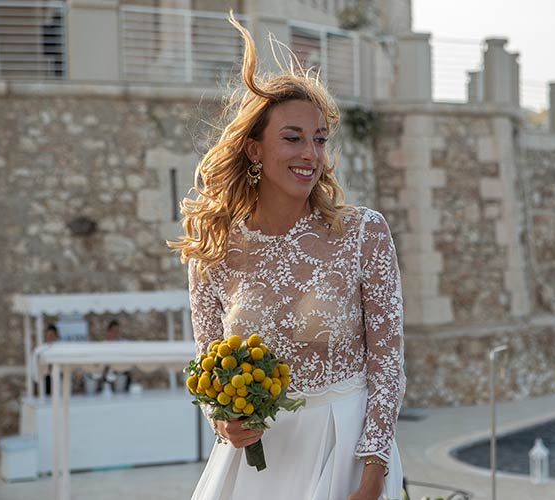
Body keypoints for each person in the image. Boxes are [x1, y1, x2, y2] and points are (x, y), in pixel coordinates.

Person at [169, 15, 405, 500]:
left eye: (319, 139)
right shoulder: (214, 252)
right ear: (254, 150)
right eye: (293, 137)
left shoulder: (364, 233)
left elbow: (388, 361)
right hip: (257, 468)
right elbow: (207, 371)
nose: (311, 153)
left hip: (345, 452)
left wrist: (373, 470)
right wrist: (225, 425)